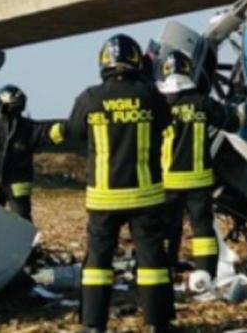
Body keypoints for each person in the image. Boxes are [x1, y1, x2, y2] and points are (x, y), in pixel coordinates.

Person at [56, 34, 175, 333]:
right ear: (137, 60)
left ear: (103, 62)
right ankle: (157, 324)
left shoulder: (89, 98)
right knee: (152, 262)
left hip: (103, 198)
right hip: (145, 195)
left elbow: (73, 132)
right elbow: (166, 122)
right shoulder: (151, 96)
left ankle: (93, 325)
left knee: (97, 262)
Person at [156, 50, 242, 281]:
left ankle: (164, 270)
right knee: (203, 231)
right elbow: (232, 122)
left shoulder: (160, 105)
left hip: (168, 181)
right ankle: (206, 274)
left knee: (167, 229)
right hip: (198, 180)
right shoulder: (202, 102)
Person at [0, 84, 65, 222]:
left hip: (17, 188)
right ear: (3, 103)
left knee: (22, 224)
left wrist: (66, 128)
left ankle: (24, 244)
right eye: (13, 103)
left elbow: (48, 134)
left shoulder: (28, 128)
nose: (16, 107)